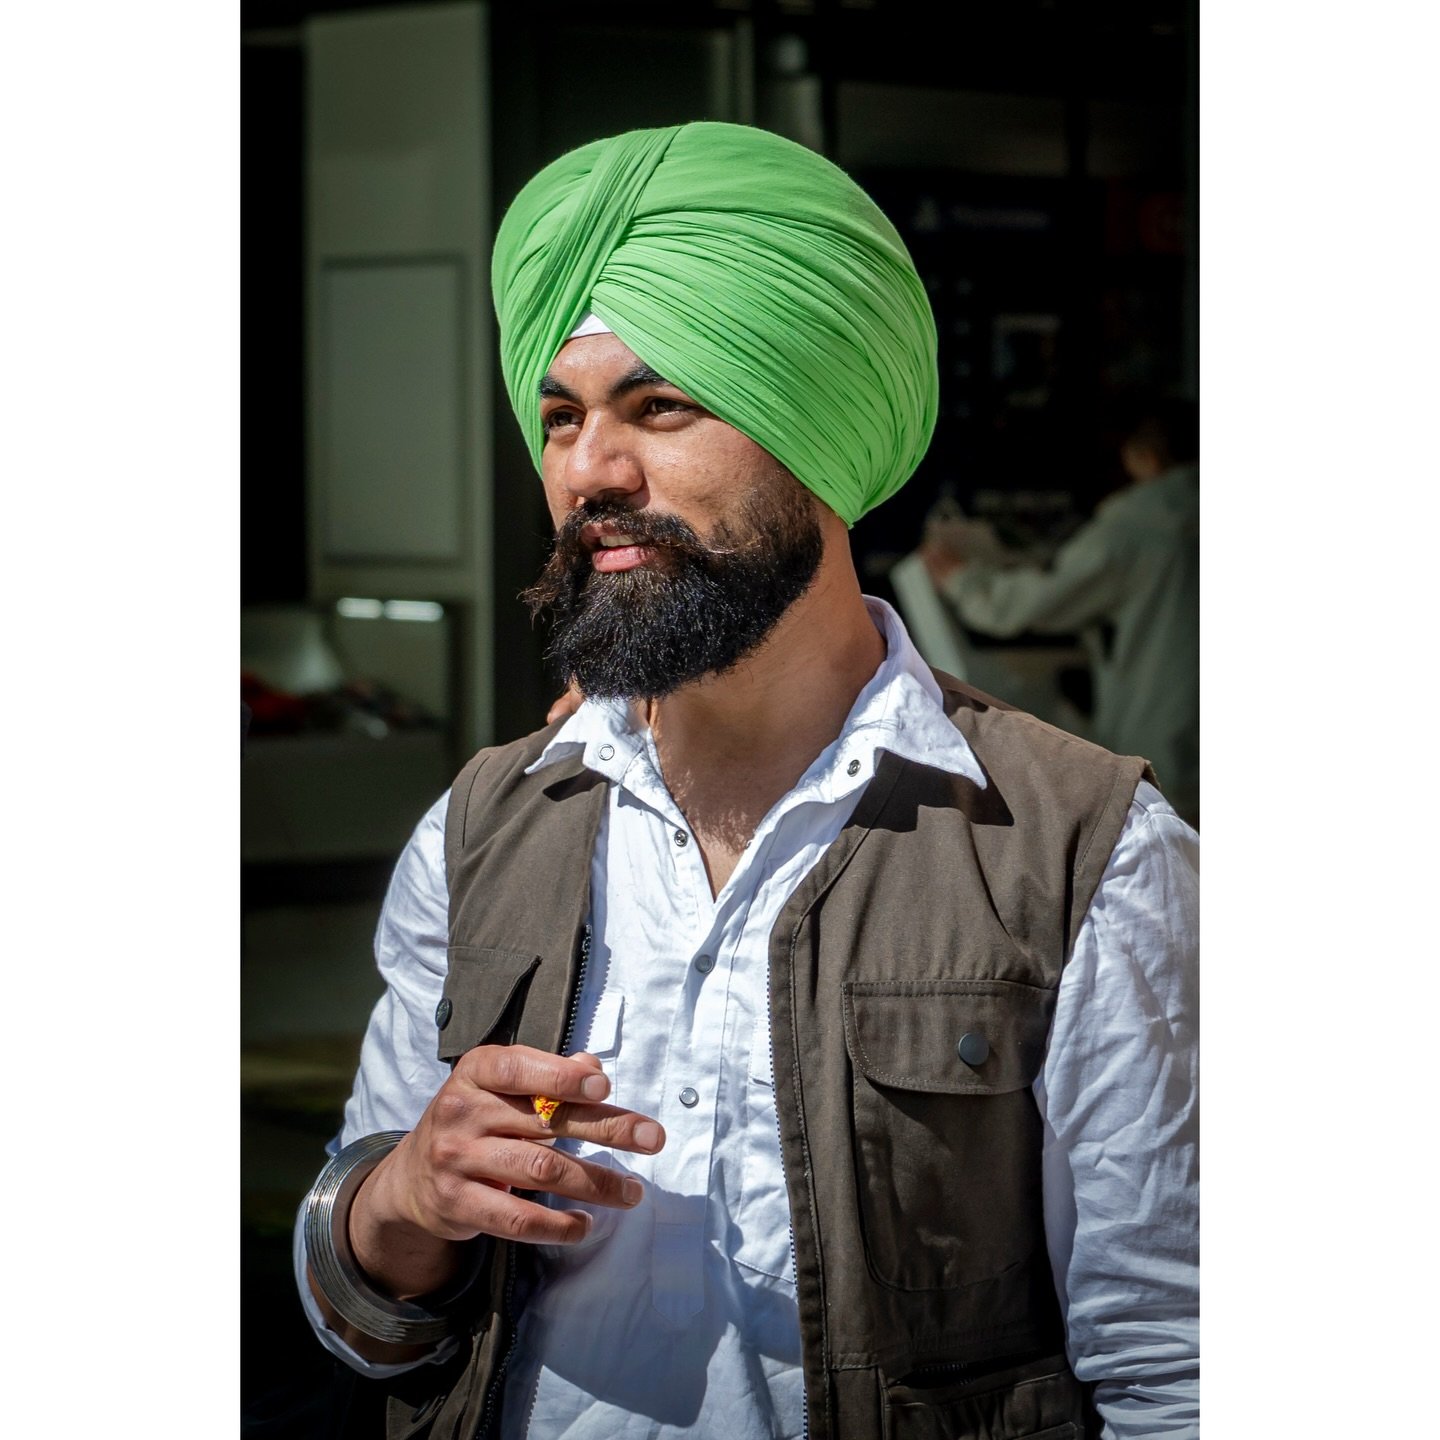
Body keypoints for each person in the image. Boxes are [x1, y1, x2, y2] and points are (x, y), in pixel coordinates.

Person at [296, 122, 1199, 1440]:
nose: (591, 471)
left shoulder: (1083, 850)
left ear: (818, 434)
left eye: (660, 406)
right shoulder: (485, 827)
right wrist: (406, 1201)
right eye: (561, 416)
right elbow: (360, 1322)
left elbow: (1178, 1362)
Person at [920, 403, 1200, 826]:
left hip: (1164, 741)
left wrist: (963, 581)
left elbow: (1033, 603)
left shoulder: (1140, 524)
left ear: (1142, 454)